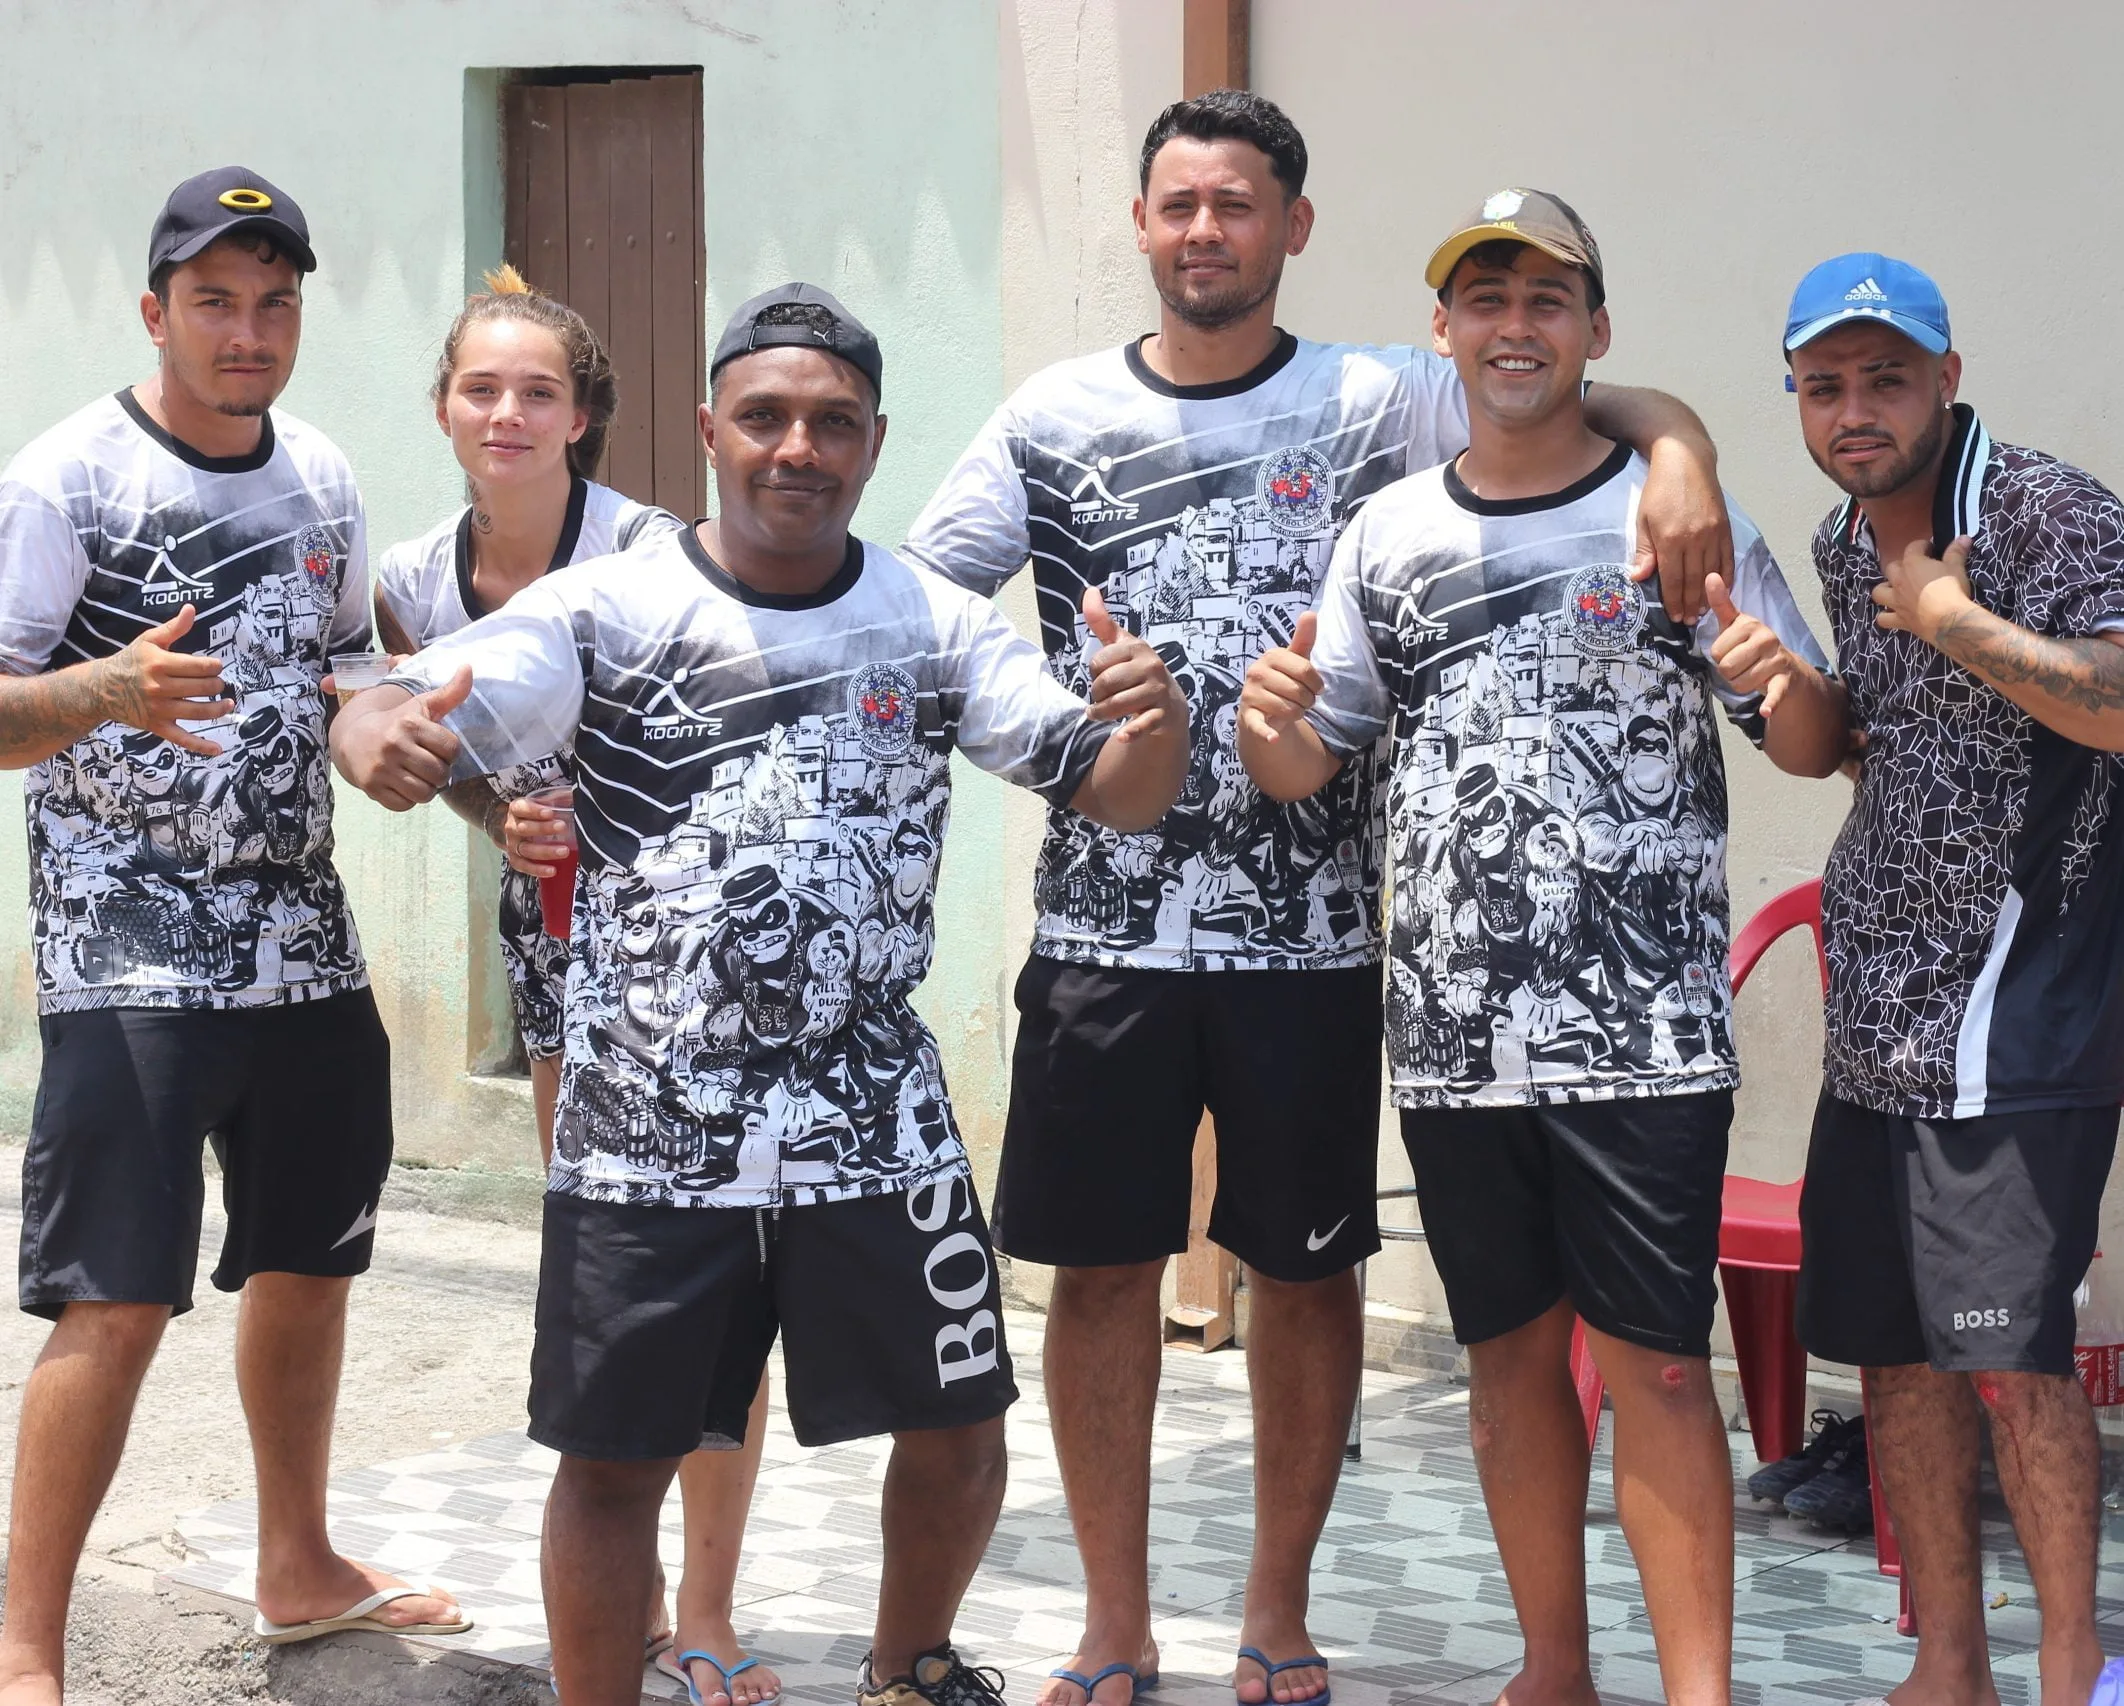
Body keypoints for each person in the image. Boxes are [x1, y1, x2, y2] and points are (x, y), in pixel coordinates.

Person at [902, 92, 1739, 1706]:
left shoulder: (1386, 394)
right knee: (1100, 1275)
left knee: (1305, 1272)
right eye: (1177, 204)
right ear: (1138, 227)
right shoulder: (1053, 417)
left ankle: (1276, 1610)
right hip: (1104, 930)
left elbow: (1553, 388)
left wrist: (1686, 445)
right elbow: (925, 606)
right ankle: (1115, 1619)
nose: (1205, 229)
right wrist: (1071, 735)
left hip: (1320, 936)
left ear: (1294, 226)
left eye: (1238, 203)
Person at [330, 283, 1189, 1706]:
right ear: (712, 428)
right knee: (612, 1461)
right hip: (644, 1127)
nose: (800, 447)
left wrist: (1151, 724)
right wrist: (376, 729)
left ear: (874, 441)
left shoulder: (937, 617)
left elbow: (1118, 793)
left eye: (833, 423)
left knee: (963, 1425)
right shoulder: (608, 604)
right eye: (769, 417)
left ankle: (907, 1666)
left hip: (871, 1116)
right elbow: (406, 705)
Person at [1237, 191, 1843, 1706]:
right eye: (1485, 299)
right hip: (1453, 1039)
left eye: (1549, 300)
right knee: (1507, 1369)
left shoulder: (1670, 509)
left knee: (1651, 1365)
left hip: (1644, 1033)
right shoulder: (1386, 529)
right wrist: (1268, 739)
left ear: (1598, 331)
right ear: (1445, 331)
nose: (1518, 326)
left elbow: (1815, 738)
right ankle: (1552, 1671)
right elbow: (1325, 758)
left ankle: (1698, 1690)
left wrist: (1775, 682)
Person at [0, 167, 467, 1705]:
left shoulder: (321, 475)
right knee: (115, 1295)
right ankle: (24, 1643)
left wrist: (383, 738)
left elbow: (337, 674)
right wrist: (97, 693)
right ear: (156, 311)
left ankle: (298, 1562)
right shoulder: (65, 480)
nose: (247, 329)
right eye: (214, 300)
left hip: (302, 947)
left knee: (308, 1262)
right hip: (127, 958)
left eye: (273, 302)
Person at [374, 266, 776, 1706]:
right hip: (554, 940)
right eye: (483, 386)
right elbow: (452, 767)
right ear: (443, 409)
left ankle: (712, 1604)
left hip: (696, 959)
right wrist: (509, 819)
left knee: (720, 1276)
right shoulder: (418, 579)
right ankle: (628, 1583)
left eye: (538, 389)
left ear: (585, 416)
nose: (508, 411)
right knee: (604, 1279)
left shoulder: (663, 554)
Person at [1782, 253, 2124, 1706]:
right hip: (1878, 1010)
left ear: (1948, 379)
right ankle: (1950, 1665)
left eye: (1886, 378)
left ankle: (2071, 1665)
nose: (1857, 410)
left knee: (2015, 1359)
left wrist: (1957, 619)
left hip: (2019, 1010)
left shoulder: (2051, 510)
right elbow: (1886, 742)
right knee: (1893, 1357)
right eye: (1826, 385)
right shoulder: (1840, 542)